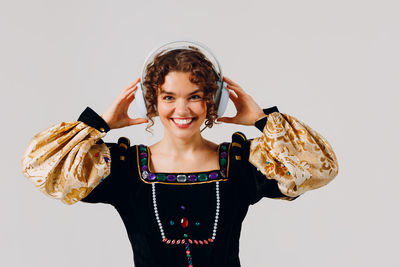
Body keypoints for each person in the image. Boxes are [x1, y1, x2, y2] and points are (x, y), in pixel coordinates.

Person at [20, 47, 339, 267]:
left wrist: (264, 122)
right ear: (153, 102)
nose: (182, 110)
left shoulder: (243, 165)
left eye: (195, 97)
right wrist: (97, 125)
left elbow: (319, 168)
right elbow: (39, 166)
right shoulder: (124, 169)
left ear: (212, 101)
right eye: (169, 97)